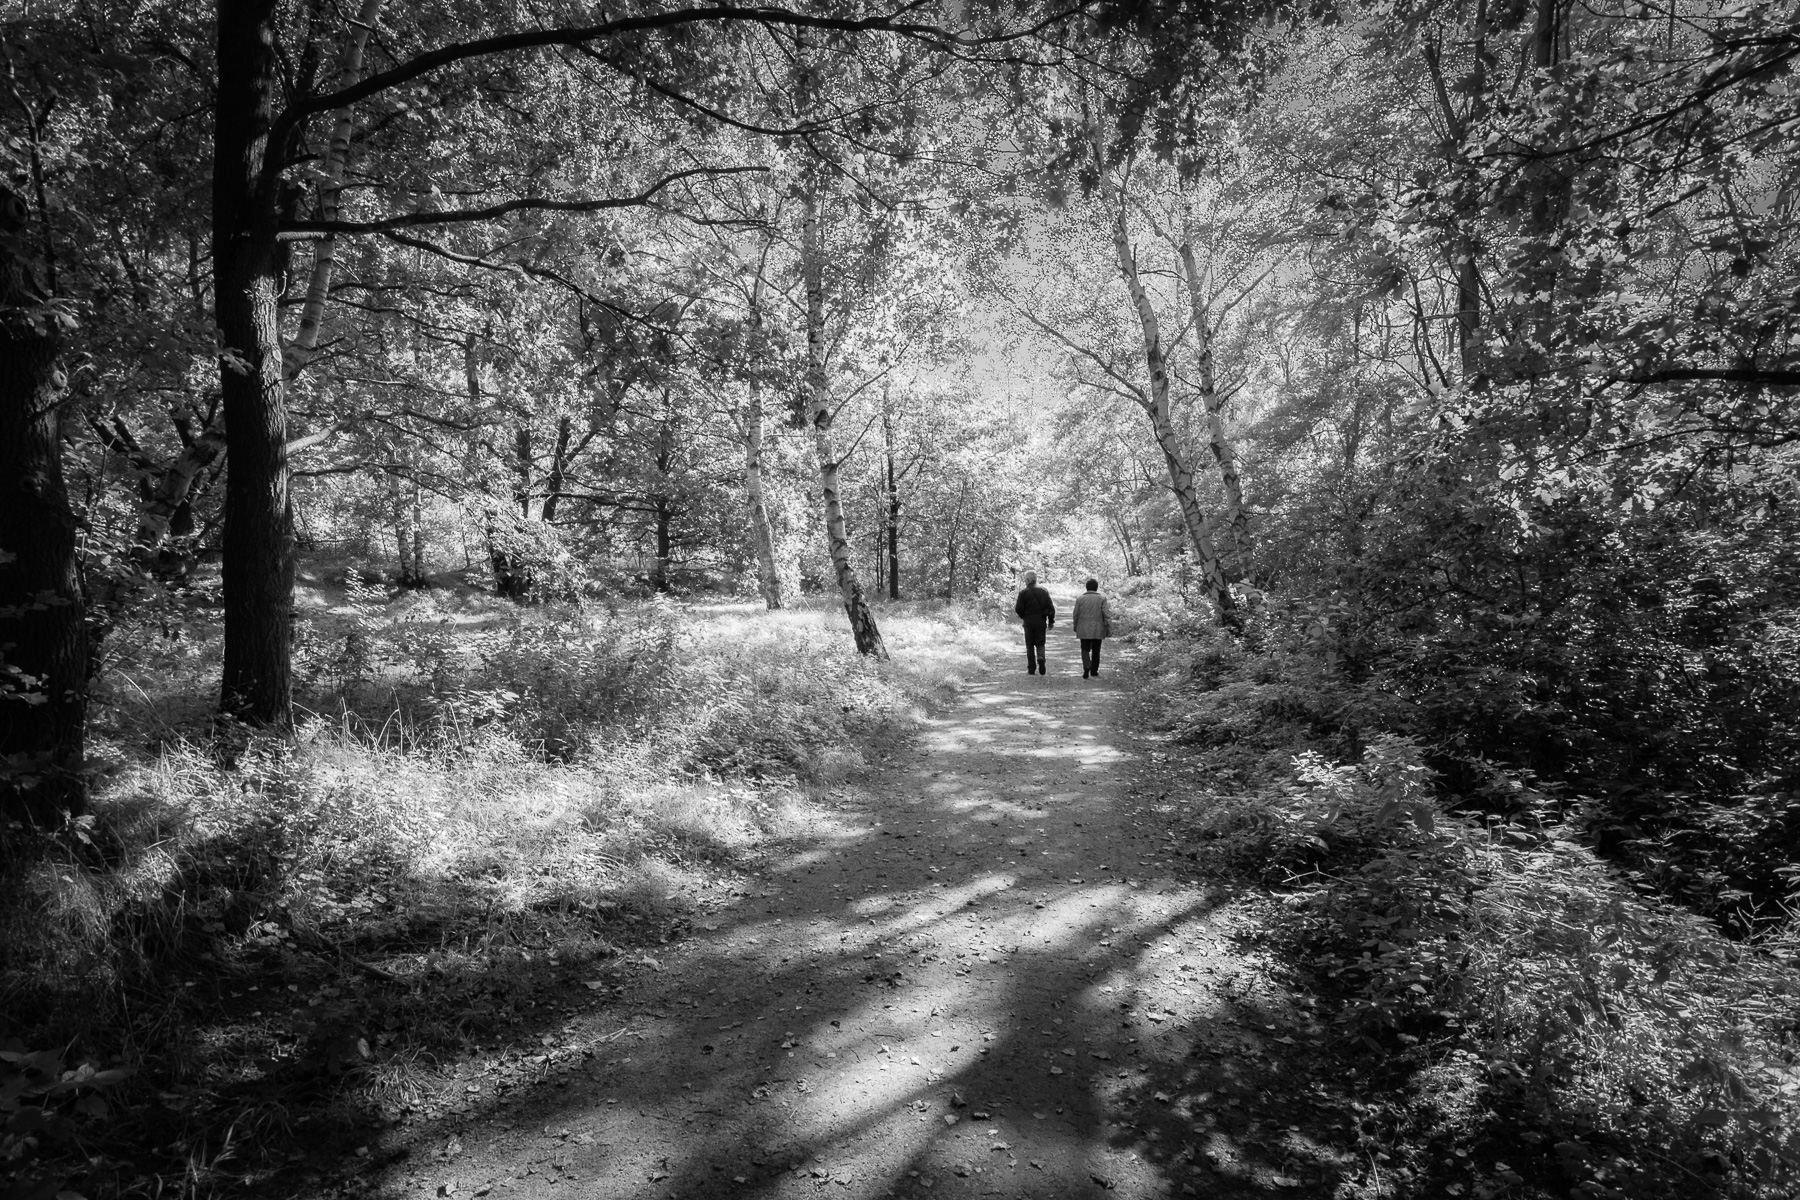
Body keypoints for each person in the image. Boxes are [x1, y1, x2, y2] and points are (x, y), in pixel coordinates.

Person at [1013, 570, 1056, 675]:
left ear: (1027, 580)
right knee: (1040, 643)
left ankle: (1031, 668)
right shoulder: (1044, 591)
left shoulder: (1023, 592)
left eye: (1025, 579)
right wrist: (1051, 621)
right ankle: (1041, 657)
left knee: (1030, 645)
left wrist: (1024, 616)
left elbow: (1018, 608)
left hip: (1028, 622)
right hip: (1041, 621)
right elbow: (1051, 608)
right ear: (1035, 579)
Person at [1071, 577, 1113, 679]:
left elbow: (1076, 614)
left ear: (1086, 587)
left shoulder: (1080, 599)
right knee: (1096, 649)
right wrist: (1109, 627)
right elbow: (1106, 614)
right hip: (1098, 627)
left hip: (1083, 627)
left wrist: (1075, 625)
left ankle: (1086, 664)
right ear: (1096, 588)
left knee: (1084, 648)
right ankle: (1094, 671)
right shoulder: (1102, 599)